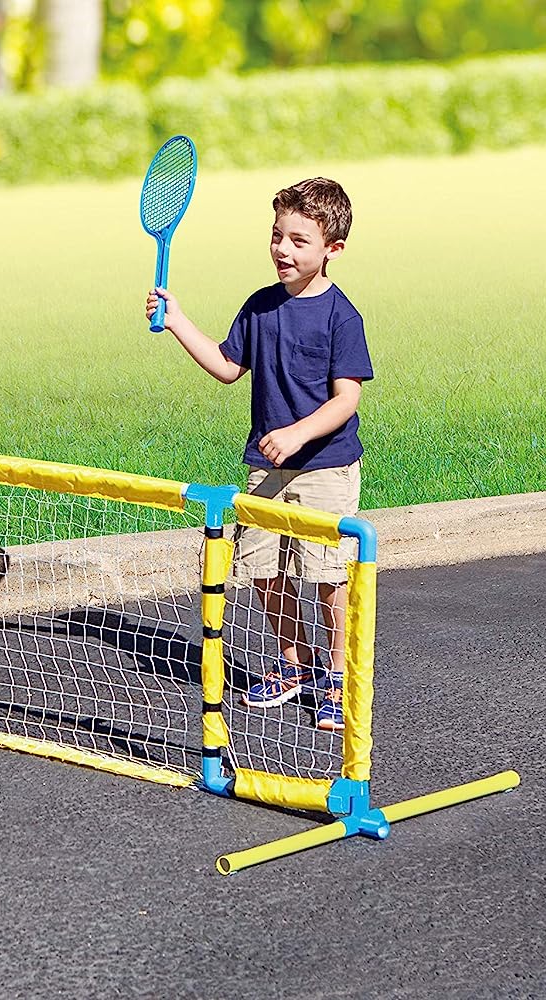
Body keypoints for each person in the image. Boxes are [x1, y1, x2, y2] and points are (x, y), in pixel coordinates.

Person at [146, 178, 373, 732]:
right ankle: (293, 668)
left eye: (299, 240)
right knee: (267, 572)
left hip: (325, 467)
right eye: (277, 236)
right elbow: (227, 367)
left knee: (325, 577)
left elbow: (347, 398)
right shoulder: (259, 306)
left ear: (332, 250)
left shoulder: (342, 317)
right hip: (266, 466)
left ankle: (335, 677)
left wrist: (297, 434)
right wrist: (178, 321)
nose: (283, 249)